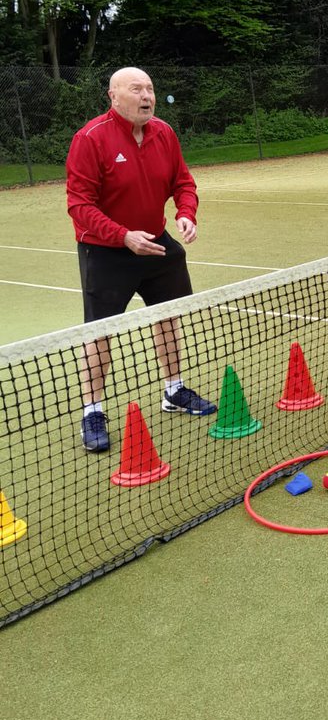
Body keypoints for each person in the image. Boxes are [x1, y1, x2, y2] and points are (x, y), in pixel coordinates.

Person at [66, 67, 216, 453]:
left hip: (155, 242)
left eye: (150, 88)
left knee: (168, 317)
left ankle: (173, 390)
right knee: (99, 332)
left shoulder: (164, 133)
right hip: (105, 250)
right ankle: (92, 411)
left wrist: (186, 212)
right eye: (136, 89)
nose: (146, 95)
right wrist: (121, 236)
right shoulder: (90, 139)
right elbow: (79, 205)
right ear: (113, 96)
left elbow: (183, 182)